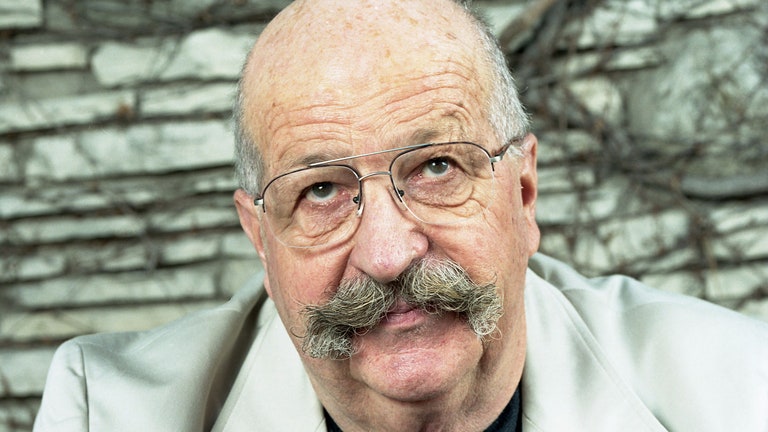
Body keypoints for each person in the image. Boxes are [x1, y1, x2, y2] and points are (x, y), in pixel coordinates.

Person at [34, 0, 768, 431]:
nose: (387, 253)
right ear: (260, 237)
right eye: (320, 190)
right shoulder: (108, 413)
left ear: (523, 193)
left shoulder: (738, 392)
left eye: (437, 166)